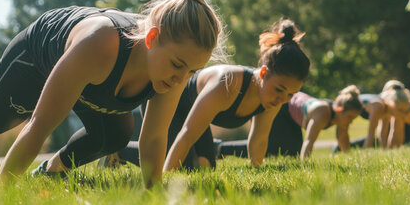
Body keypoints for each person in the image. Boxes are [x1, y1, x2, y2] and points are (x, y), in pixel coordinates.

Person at [0, 0, 224, 188]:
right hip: (41, 56)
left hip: (91, 76)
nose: (181, 79)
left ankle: (52, 171)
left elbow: (154, 137)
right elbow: (40, 126)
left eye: (191, 72)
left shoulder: (170, 71)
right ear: (152, 38)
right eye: (178, 66)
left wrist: (152, 194)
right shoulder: (100, 45)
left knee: (114, 137)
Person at [102, 20, 310, 170]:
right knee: (186, 166)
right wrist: (164, 182)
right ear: (263, 73)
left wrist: (257, 170)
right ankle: (118, 152)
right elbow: (188, 133)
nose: (282, 99)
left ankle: (124, 154)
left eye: (291, 94)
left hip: (192, 116)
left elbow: (258, 140)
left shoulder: (271, 99)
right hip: (170, 97)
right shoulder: (228, 84)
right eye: (280, 90)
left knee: (205, 167)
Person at [216, 85, 363, 160]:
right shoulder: (321, 113)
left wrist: (349, 159)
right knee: (270, 147)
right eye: (350, 117)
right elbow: (309, 142)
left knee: (291, 152)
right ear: (339, 109)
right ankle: (220, 148)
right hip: (282, 108)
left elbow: (343, 141)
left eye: (353, 119)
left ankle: (219, 148)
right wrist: (305, 167)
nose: (350, 122)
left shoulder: (339, 118)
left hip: (293, 117)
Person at [357, 80, 410, 149]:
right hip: (351, 107)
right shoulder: (378, 106)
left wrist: (386, 149)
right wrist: (366, 152)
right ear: (391, 103)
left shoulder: (388, 110)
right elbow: (371, 133)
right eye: (400, 110)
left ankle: (387, 149)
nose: (401, 113)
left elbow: (383, 132)